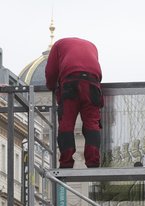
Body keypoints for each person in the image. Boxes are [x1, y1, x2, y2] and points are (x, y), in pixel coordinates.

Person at [44, 36, 103, 168]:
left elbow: (51, 72)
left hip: (71, 82)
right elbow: (95, 69)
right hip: (92, 84)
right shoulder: (92, 45)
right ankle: (93, 161)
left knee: (67, 123)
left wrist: (52, 86)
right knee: (92, 123)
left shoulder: (58, 45)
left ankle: (66, 162)